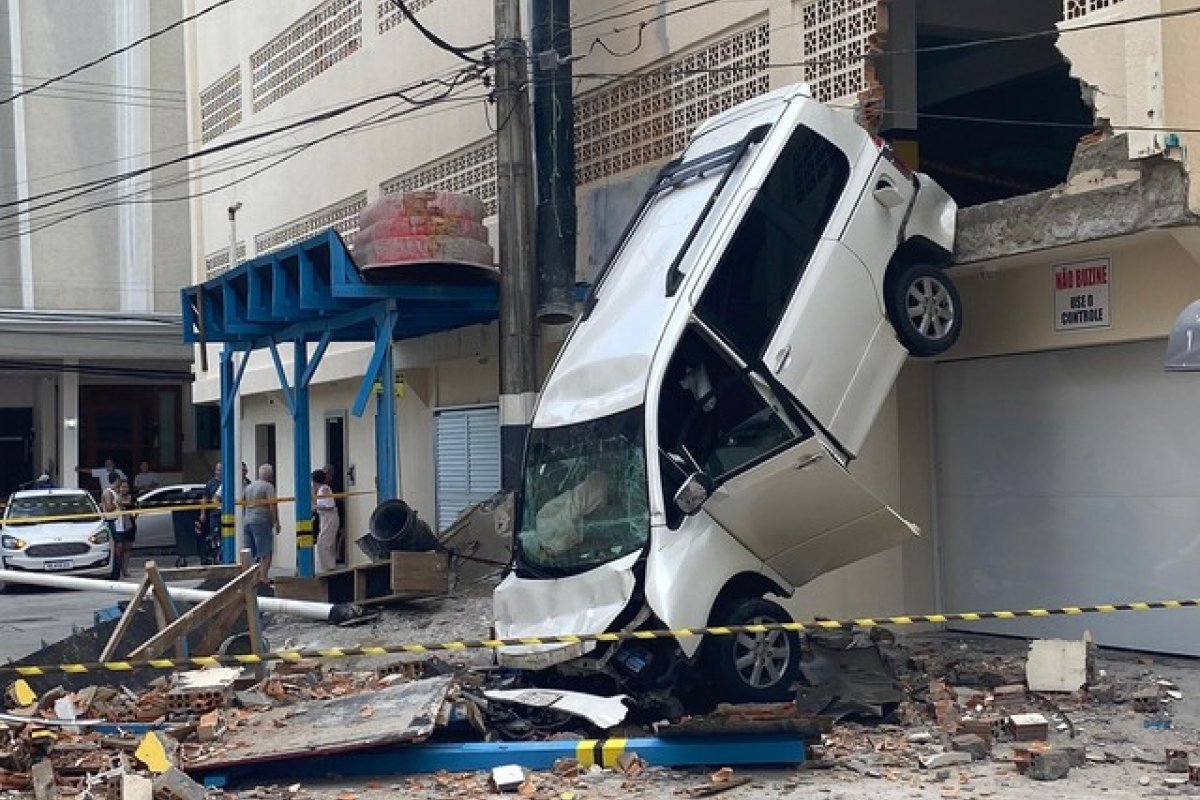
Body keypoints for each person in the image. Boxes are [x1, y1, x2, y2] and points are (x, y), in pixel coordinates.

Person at [243, 464, 280, 582]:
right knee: (265, 551)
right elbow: (272, 504)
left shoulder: (249, 487)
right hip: (261, 521)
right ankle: (263, 577)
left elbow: (243, 502)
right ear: (270, 475)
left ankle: (252, 577)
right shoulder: (268, 487)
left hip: (248, 520)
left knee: (251, 551)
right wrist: (276, 521)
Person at [102, 473, 135, 579]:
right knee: (117, 547)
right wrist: (118, 503)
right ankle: (114, 571)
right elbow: (108, 508)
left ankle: (119, 570)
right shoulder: (108, 492)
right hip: (113, 522)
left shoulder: (116, 492)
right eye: (119, 480)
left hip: (120, 522)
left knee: (121, 547)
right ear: (116, 480)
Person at [311, 469, 340, 573]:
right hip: (324, 518)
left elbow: (330, 506)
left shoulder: (324, 490)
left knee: (323, 543)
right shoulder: (320, 490)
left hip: (329, 517)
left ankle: (327, 567)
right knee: (327, 542)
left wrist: (316, 507)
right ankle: (329, 565)